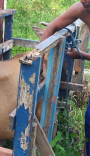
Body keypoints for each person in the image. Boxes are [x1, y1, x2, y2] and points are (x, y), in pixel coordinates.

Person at [40, 0, 90, 155]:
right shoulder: (82, 8)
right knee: (89, 122)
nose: (84, 1)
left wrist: (82, 55)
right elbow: (52, 27)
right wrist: (39, 58)